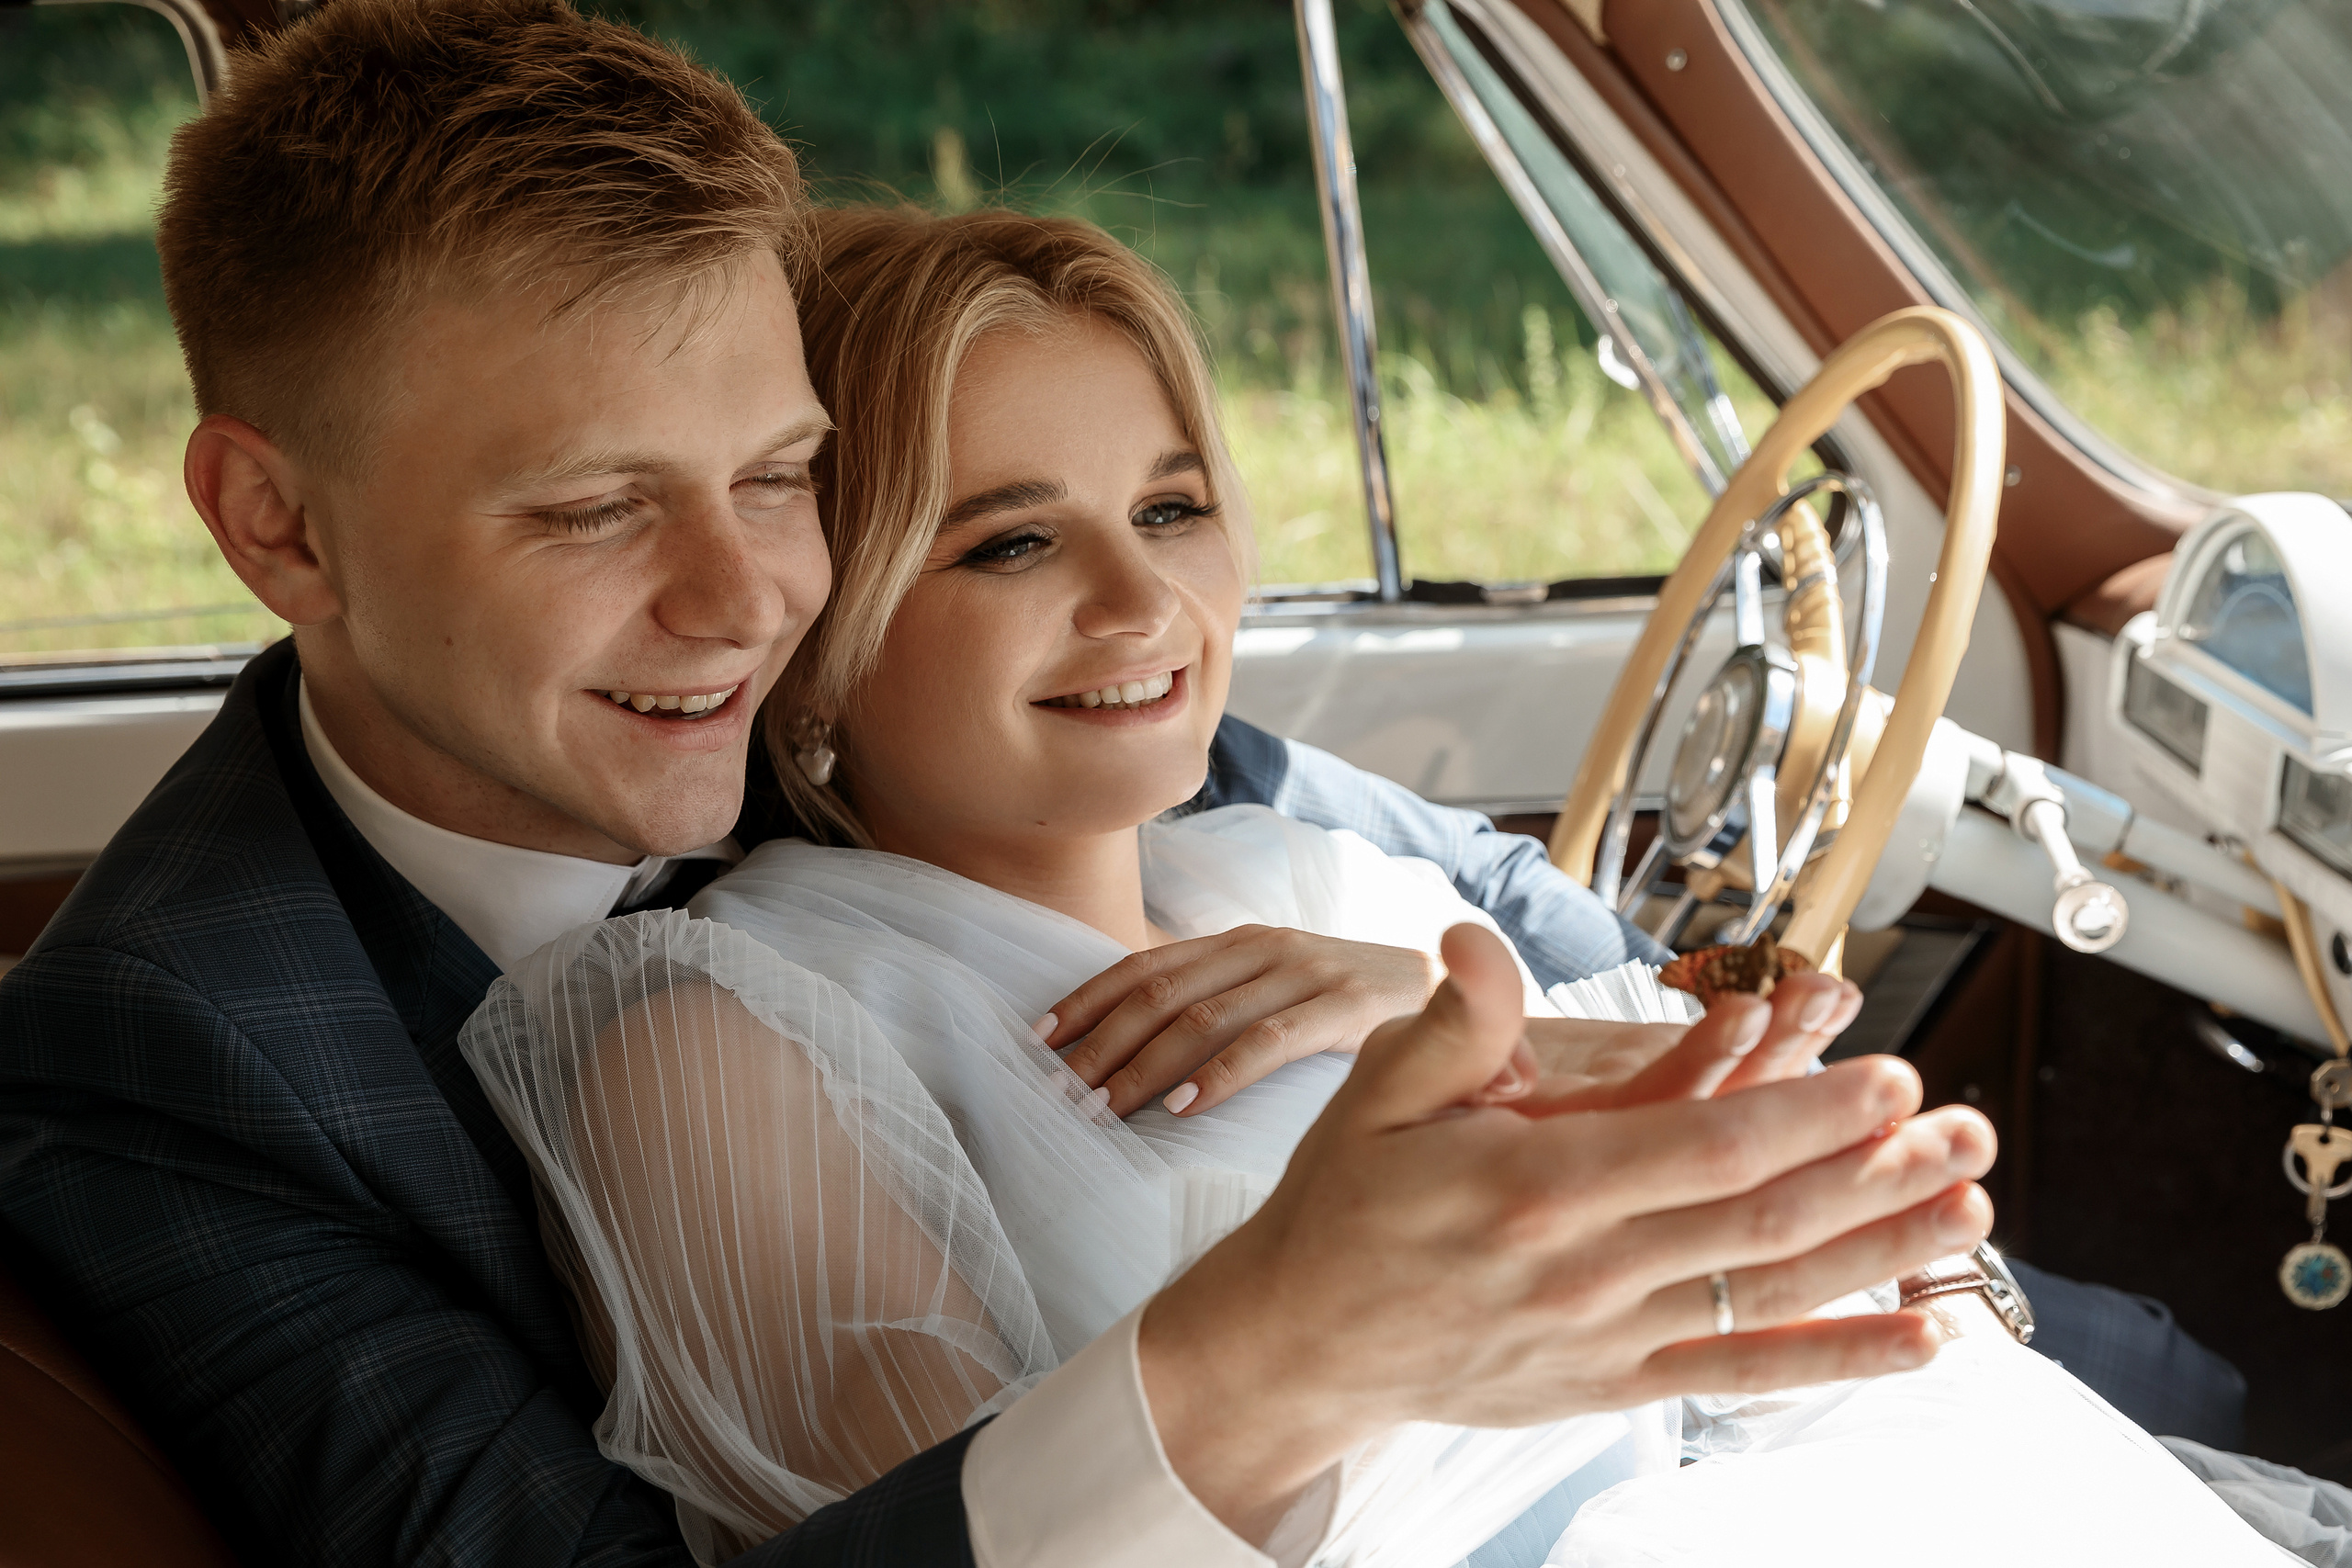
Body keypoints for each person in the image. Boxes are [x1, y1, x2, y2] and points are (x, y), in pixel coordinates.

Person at [0, 5, 1989, 1566]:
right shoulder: (167, 1056)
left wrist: (1416, 999)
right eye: (598, 507)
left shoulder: (933, 714)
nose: (743, 599)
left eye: (785, 478)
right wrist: (1283, 1345)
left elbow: (1622, 992)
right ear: (280, 528)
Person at [455, 202, 2278, 1567]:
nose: (1142, 604)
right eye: (1011, 538)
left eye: (1170, 509)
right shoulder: (722, 1033)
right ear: (813, 631)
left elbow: (1887, 1296)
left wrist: (1609, 1074)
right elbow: (958, 1533)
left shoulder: (1322, 875)